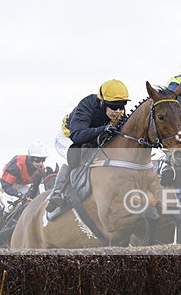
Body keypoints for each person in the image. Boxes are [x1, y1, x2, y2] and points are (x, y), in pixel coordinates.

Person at [47, 79, 130, 211]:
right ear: (102, 102)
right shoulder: (86, 105)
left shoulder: (119, 112)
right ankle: (57, 193)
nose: (118, 111)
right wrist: (102, 129)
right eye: (114, 107)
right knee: (75, 154)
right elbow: (78, 136)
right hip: (68, 137)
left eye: (122, 106)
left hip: (91, 137)